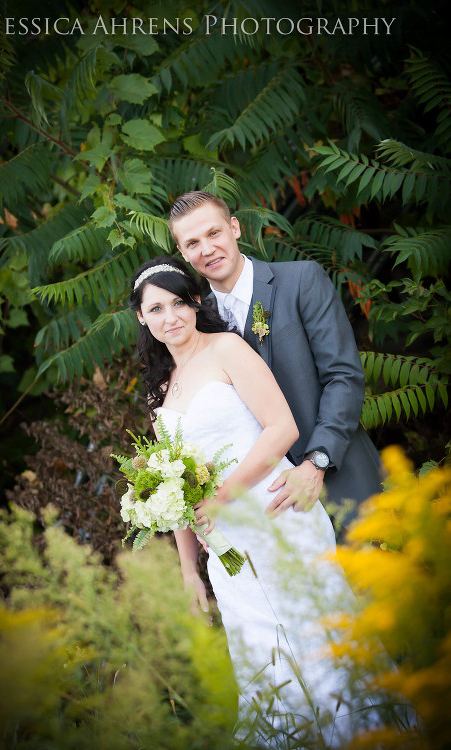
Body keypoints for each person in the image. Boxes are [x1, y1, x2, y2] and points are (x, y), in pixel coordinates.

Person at [128, 257, 382, 746]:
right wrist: (187, 569)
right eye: (156, 308)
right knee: (266, 662)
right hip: (226, 550)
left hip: (276, 511)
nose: (171, 317)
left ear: (196, 302)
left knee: (321, 643)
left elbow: (282, 428)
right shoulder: (158, 389)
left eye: (179, 302)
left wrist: (224, 495)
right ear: (142, 317)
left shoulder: (227, 349)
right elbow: (172, 486)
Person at [167, 191, 383, 526]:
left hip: (342, 480)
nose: (207, 249)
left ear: (234, 228)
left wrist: (317, 462)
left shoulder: (301, 281)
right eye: (192, 243)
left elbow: (343, 376)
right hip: (265, 508)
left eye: (213, 233)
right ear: (182, 252)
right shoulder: (198, 324)